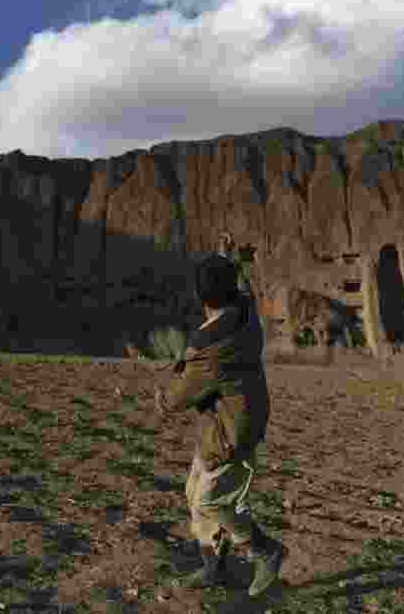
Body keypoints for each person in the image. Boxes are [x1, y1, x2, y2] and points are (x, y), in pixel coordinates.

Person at [154, 253, 286, 596]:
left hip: (230, 435)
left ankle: (265, 551)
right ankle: (214, 568)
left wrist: (167, 387)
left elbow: (175, 400)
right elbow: (238, 290)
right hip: (227, 425)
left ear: (201, 298)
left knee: (212, 502)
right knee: (196, 495)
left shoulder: (209, 349)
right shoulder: (246, 314)